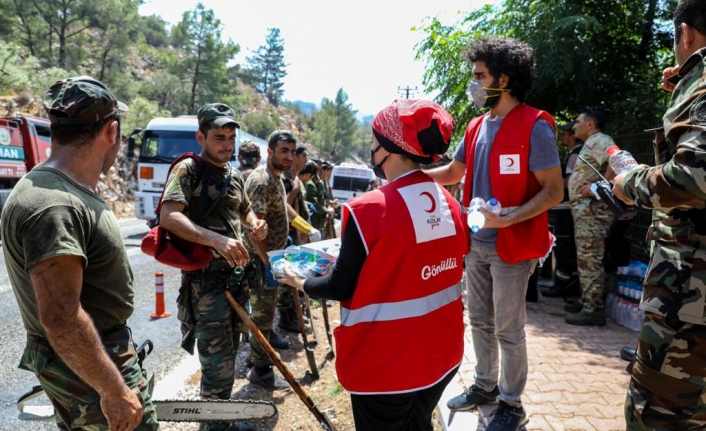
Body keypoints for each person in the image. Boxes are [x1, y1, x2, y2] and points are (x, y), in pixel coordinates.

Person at [278, 99, 467, 431]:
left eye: (372, 142)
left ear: (389, 148)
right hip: (442, 355)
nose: (371, 149)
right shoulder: (447, 202)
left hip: (389, 363)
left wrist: (298, 281)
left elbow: (340, 286)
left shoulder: (367, 209)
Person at [1, 76, 158, 430]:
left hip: (89, 359)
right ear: (112, 131)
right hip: (93, 362)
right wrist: (115, 391)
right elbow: (61, 319)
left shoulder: (53, 188)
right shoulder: (56, 205)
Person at [425, 36, 563, 431]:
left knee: (508, 327)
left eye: (479, 76)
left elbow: (554, 191)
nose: (473, 83)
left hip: (511, 247)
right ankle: (485, 386)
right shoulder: (475, 126)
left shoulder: (535, 125)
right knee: (480, 322)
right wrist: (411, 179)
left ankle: (511, 402)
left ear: (503, 78)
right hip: (476, 244)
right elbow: (454, 174)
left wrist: (510, 218)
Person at [613, 1, 706, 428]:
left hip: (689, 296)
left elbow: (693, 178)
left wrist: (629, 182)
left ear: (684, 34)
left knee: (657, 413)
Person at [159, 102, 268, 431]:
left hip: (235, 281)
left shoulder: (234, 176)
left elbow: (244, 212)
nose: (227, 144)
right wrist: (216, 241)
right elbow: (169, 215)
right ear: (201, 137)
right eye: (219, 137)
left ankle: (221, 421)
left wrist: (254, 225)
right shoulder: (189, 170)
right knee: (217, 366)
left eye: (231, 137)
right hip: (206, 285)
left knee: (231, 355)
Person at [243, 130, 308, 390]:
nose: (289, 156)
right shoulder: (261, 180)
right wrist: (268, 260)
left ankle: (258, 359)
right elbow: (255, 227)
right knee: (262, 316)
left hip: (272, 257)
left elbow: (283, 207)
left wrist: (304, 225)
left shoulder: (277, 179)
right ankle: (261, 371)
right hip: (261, 261)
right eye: (284, 150)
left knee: (265, 314)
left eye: (292, 151)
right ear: (269, 152)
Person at [564, 106, 615, 326]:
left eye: (577, 121)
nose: (574, 126)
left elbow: (616, 160)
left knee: (590, 257)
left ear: (590, 124)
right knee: (586, 257)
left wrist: (599, 185)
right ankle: (587, 301)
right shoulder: (591, 143)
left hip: (592, 211)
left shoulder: (600, 140)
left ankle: (593, 309)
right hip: (585, 211)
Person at [541, 122, 582, 298]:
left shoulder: (576, 154)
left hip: (568, 208)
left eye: (565, 134)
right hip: (565, 207)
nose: (563, 137)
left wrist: (550, 181)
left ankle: (563, 286)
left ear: (573, 136)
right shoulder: (573, 153)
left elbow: (570, 181)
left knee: (564, 247)